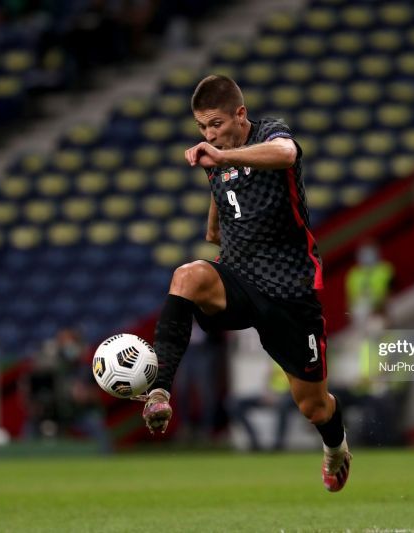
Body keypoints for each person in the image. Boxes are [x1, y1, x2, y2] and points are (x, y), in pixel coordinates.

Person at [137, 75, 351, 492]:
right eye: (201, 127)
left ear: (240, 114)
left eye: (215, 124)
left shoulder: (271, 133)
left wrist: (221, 155)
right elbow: (221, 198)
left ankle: (335, 447)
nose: (209, 134)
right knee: (187, 275)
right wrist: (214, 226)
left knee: (313, 406)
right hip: (238, 277)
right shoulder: (217, 157)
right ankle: (159, 390)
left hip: (290, 289)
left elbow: (286, 154)